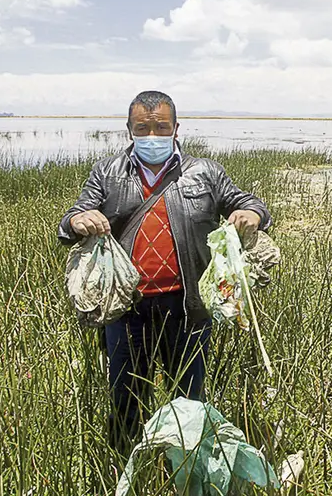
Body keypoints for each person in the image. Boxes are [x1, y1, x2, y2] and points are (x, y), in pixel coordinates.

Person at [57, 90, 271, 458]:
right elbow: (71, 219)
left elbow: (248, 203)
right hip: (126, 310)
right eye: (143, 128)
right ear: (129, 130)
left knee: (189, 398)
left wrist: (252, 214)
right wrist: (78, 220)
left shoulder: (205, 172)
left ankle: (187, 464)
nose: (152, 136)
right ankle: (126, 465)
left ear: (176, 128)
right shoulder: (107, 172)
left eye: (161, 127)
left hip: (187, 309)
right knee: (125, 397)